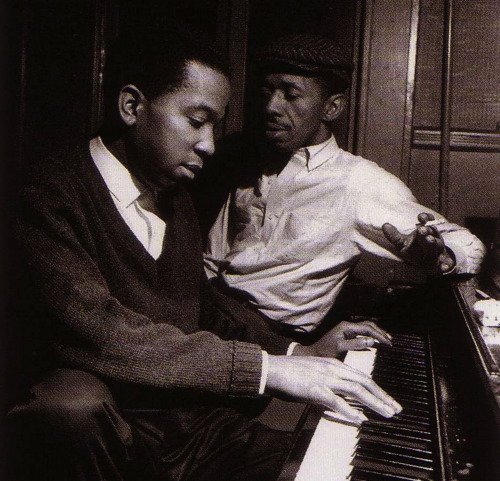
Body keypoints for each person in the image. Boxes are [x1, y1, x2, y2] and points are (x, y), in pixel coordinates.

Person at [6, 27, 401, 481]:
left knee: (340, 468)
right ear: (132, 106)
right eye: (197, 121)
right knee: (69, 405)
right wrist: (267, 370)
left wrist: (299, 351)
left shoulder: (172, 192)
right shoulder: (47, 194)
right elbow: (98, 330)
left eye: (215, 125)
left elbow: (203, 303)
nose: (209, 144)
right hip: (110, 432)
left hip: (189, 431)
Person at [204, 33, 486, 334]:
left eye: (290, 94)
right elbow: (212, 260)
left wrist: (438, 255)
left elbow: (467, 244)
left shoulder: (357, 182)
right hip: (211, 317)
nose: (271, 106)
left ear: (332, 108)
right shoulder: (248, 164)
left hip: (273, 339)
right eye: (266, 92)